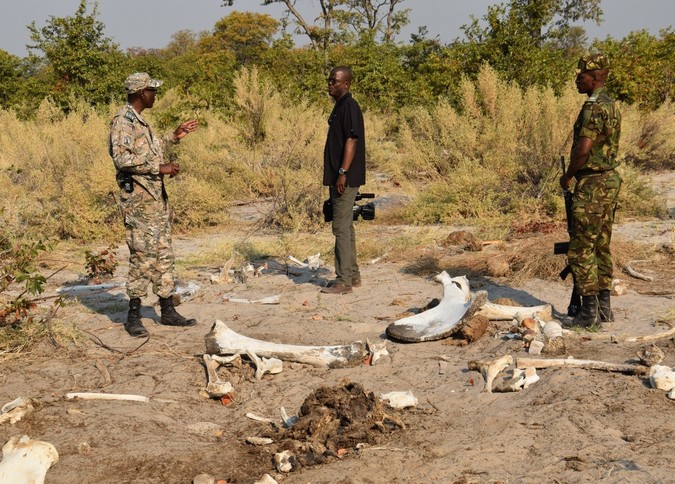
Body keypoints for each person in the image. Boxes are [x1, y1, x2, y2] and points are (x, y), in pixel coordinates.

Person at [109, 72, 199, 337]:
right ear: (141, 93)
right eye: (152, 91)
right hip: (138, 201)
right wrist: (159, 168)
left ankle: (167, 309)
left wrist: (175, 136)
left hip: (154, 200)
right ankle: (133, 315)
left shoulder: (139, 122)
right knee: (142, 256)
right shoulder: (122, 122)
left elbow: (148, 149)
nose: (154, 95)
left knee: (162, 254)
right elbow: (122, 159)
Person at [560, 53, 622, 327]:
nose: (577, 79)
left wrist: (568, 176)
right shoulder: (612, 105)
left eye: (581, 75)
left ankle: (588, 314)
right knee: (601, 244)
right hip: (609, 181)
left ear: (595, 77)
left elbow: (583, 151)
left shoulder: (592, 107)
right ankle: (605, 308)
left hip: (592, 183)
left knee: (581, 248)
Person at [321, 66, 366, 295]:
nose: (330, 84)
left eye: (335, 81)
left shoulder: (349, 105)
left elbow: (352, 139)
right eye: (329, 80)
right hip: (341, 176)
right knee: (346, 226)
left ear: (346, 84)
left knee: (339, 227)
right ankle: (353, 276)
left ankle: (343, 281)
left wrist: (342, 171)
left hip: (344, 178)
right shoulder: (340, 106)